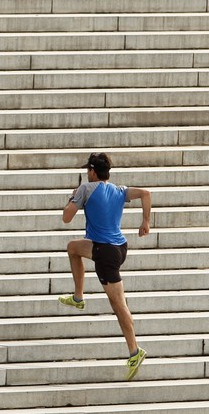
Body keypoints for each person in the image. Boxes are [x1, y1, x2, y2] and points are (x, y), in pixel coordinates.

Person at [58, 152, 151, 381]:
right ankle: (78, 296)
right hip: (118, 248)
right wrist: (146, 221)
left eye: (86, 170)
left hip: (105, 253)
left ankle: (134, 351)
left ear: (91, 171)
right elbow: (146, 194)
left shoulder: (86, 189)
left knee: (119, 305)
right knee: (73, 248)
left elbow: (66, 218)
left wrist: (72, 199)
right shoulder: (119, 190)